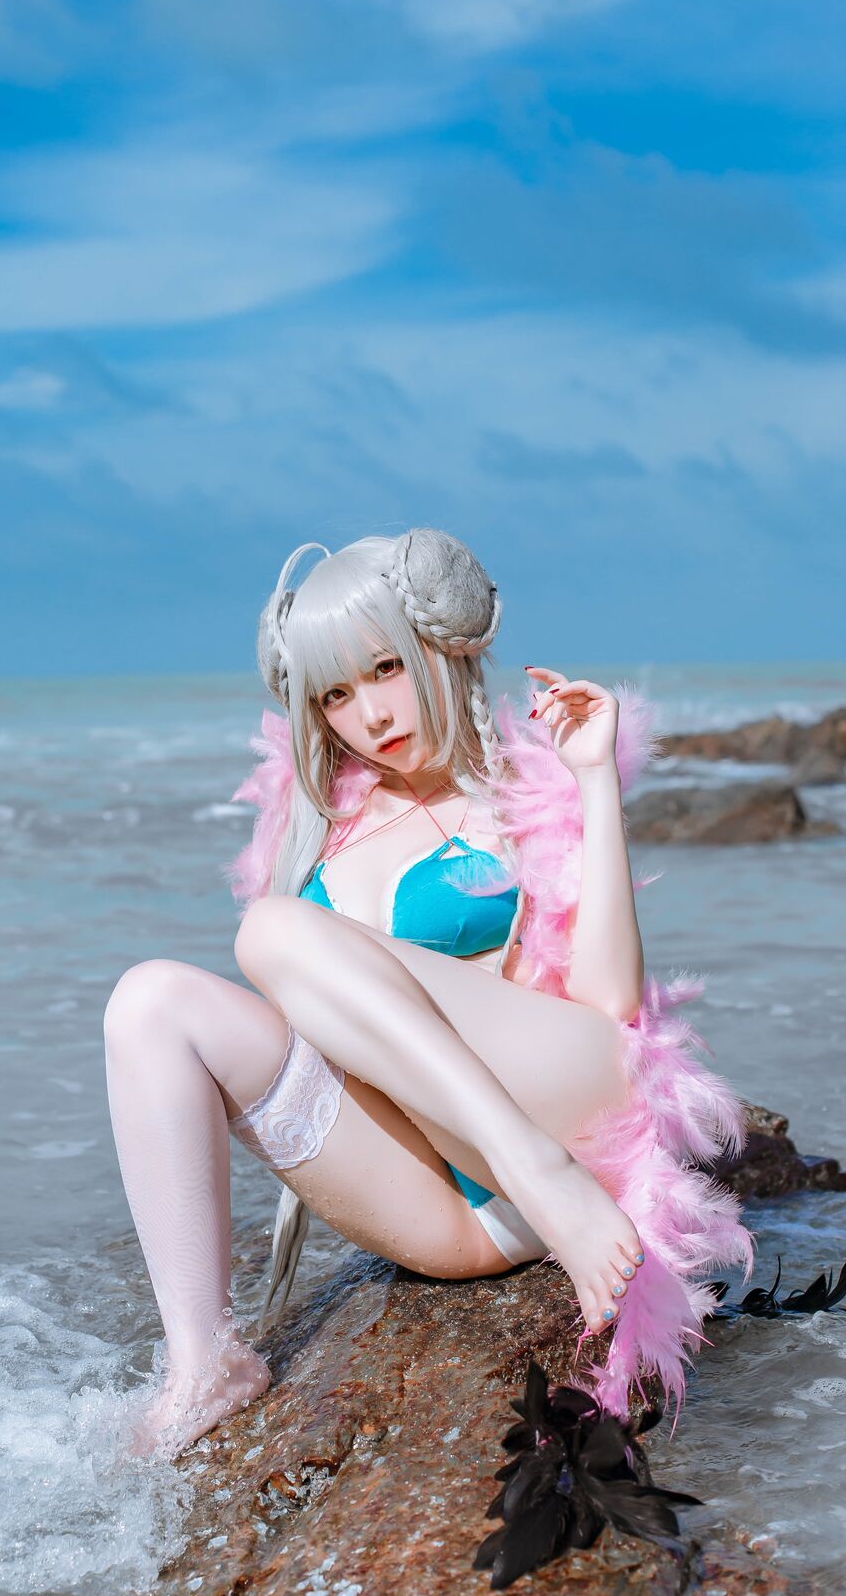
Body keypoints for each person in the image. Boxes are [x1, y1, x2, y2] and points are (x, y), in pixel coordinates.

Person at [103, 528, 753, 1459]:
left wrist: (593, 781)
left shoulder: (517, 791)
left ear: (439, 649)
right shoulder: (322, 825)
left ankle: (540, 1173)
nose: (369, 714)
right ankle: (204, 1362)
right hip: (453, 1211)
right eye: (334, 694)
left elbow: (609, 1005)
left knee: (270, 931)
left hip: (564, 1115)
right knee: (149, 1002)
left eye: (385, 669)